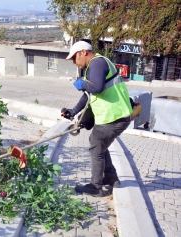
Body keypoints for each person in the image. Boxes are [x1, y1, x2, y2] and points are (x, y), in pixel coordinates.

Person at [62, 41, 132, 197]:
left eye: (75, 58)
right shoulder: (98, 63)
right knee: (100, 146)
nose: (75, 62)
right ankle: (111, 178)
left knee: (96, 146)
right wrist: (73, 111)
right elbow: (88, 95)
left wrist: (82, 83)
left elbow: (96, 87)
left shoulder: (97, 63)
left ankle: (96, 186)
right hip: (117, 115)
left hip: (113, 116)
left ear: (83, 52)